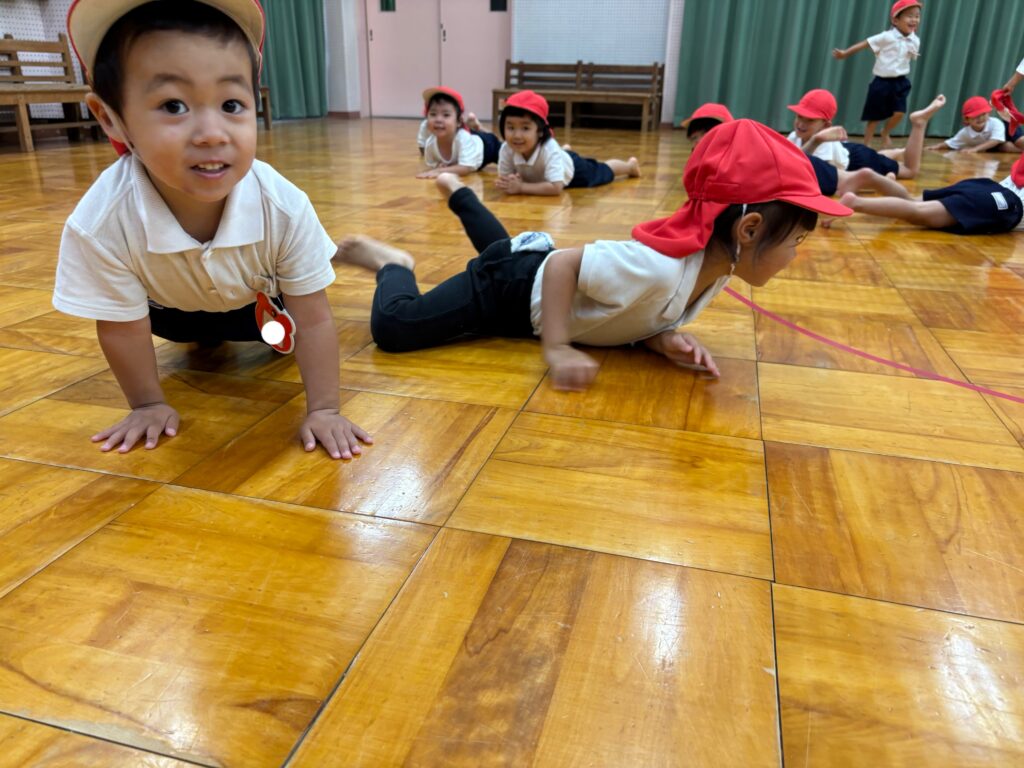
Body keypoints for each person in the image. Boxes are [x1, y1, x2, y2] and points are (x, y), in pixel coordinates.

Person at [54, 0, 371, 459]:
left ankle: (318, 263)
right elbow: (122, 328)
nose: (212, 133)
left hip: (259, 304)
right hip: (168, 311)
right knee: (175, 329)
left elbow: (314, 317)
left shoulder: (282, 205)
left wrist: (325, 409)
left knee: (282, 332)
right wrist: (147, 403)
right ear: (110, 118)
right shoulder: (101, 222)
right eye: (174, 105)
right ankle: (209, 329)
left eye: (231, 104)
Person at [334, 120, 851, 390]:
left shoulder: (715, 268)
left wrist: (660, 339)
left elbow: (634, 310)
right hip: (509, 292)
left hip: (525, 271)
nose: (795, 253)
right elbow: (564, 265)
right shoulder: (659, 266)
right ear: (749, 229)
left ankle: (457, 192)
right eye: (796, 240)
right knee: (396, 329)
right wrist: (557, 348)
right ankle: (392, 265)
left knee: (502, 249)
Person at [495, 90, 640, 196]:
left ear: (540, 131)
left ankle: (629, 166)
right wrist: (510, 181)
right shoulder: (506, 148)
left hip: (575, 172)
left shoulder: (548, 149)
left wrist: (521, 188)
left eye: (525, 128)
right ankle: (564, 151)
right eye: (510, 128)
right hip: (550, 165)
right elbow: (506, 178)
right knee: (556, 155)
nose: (517, 135)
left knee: (603, 169)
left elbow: (556, 187)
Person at [786, 87, 944, 180]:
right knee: (878, 156)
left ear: (825, 126)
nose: (801, 124)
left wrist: (878, 180)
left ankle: (919, 123)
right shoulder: (795, 136)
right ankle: (896, 152)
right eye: (799, 116)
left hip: (860, 162)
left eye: (810, 120)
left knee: (910, 171)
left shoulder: (823, 144)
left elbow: (822, 173)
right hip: (847, 150)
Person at [833, 0, 922, 147]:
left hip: (901, 82)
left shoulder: (915, 40)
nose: (914, 19)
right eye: (909, 16)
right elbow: (865, 44)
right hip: (882, 82)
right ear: (895, 20)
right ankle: (866, 145)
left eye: (917, 16)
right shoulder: (886, 37)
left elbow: (910, 57)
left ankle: (885, 132)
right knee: (874, 117)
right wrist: (845, 53)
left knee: (900, 113)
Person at [839, 168, 1024, 235]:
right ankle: (855, 203)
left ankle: (873, 178)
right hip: (1006, 203)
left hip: (986, 185)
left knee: (912, 201)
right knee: (918, 212)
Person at [418, 87, 500, 178]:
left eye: (446, 115)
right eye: (433, 114)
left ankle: (480, 128)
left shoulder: (463, 138)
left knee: (506, 154)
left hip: (488, 146)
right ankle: (475, 127)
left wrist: (440, 171)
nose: (438, 119)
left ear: (459, 121)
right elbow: (434, 164)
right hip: (469, 139)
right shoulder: (430, 143)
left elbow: (465, 168)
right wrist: (439, 166)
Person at [927, 96, 1024, 153]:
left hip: (1007, 130)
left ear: (988, 114)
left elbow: (995, 140)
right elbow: (951, 143)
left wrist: (975, 149)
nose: (981, 118)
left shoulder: (996, 123)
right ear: (967, 119)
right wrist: (936, 147)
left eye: (983, 114)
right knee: (1006, 148)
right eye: (976, 116)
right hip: (998, 143)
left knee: (1020, 142)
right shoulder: (965, 133)